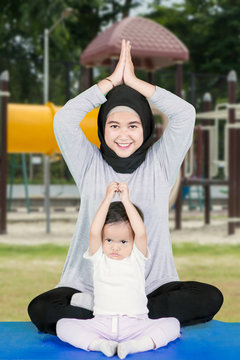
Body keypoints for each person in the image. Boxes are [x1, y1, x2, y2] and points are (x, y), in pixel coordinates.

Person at [28, 39, 223, 336]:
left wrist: (134, 83)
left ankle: (123, 311)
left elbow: (185, 114)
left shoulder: (160, 164)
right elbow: (65, 119)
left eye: (133, 125)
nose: (123, 135)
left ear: (145, 128)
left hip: (150, 287)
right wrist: (110, 83)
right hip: (88, 285)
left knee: (209, 297)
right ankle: (106, 308)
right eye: (113, 125)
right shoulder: (89, 164)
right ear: (102, 127)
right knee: (41, 309)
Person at [56, 182, 180, 358]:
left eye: (123, 242)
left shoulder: (137, 257)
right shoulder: (99, 257)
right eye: (109, 241)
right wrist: (107, 198)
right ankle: (99, 345)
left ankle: (136, 346)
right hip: (102, 325)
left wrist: (126, 200)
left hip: (137, 324)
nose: (115, 247)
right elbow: (93, 231)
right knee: (63, 326)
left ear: (132, 241)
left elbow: (141, 232)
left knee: (173, 324)